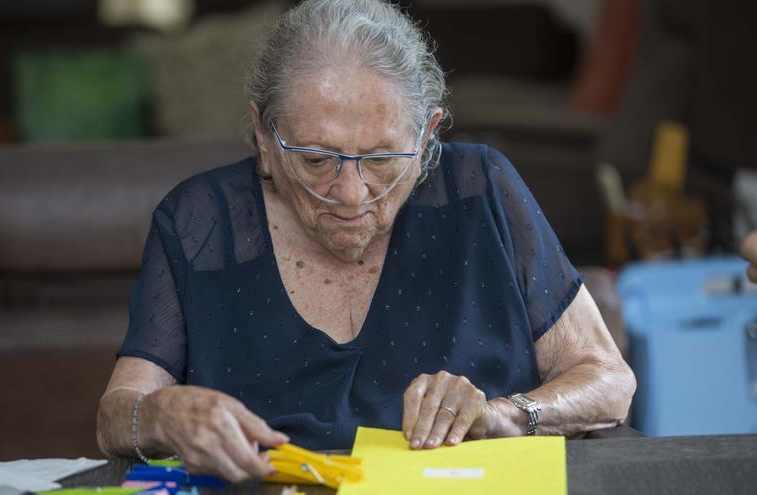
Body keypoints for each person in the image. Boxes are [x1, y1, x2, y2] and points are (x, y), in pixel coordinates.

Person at [96, 0, 636, 483]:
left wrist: (505, 415)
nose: (351, 195)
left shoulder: (482, 191)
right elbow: (118, 413)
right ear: (263, 137)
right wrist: (167, 416)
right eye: (315, 160)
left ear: (427, 137)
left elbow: (609, 381)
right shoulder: (201, 221)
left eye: (381, 161)